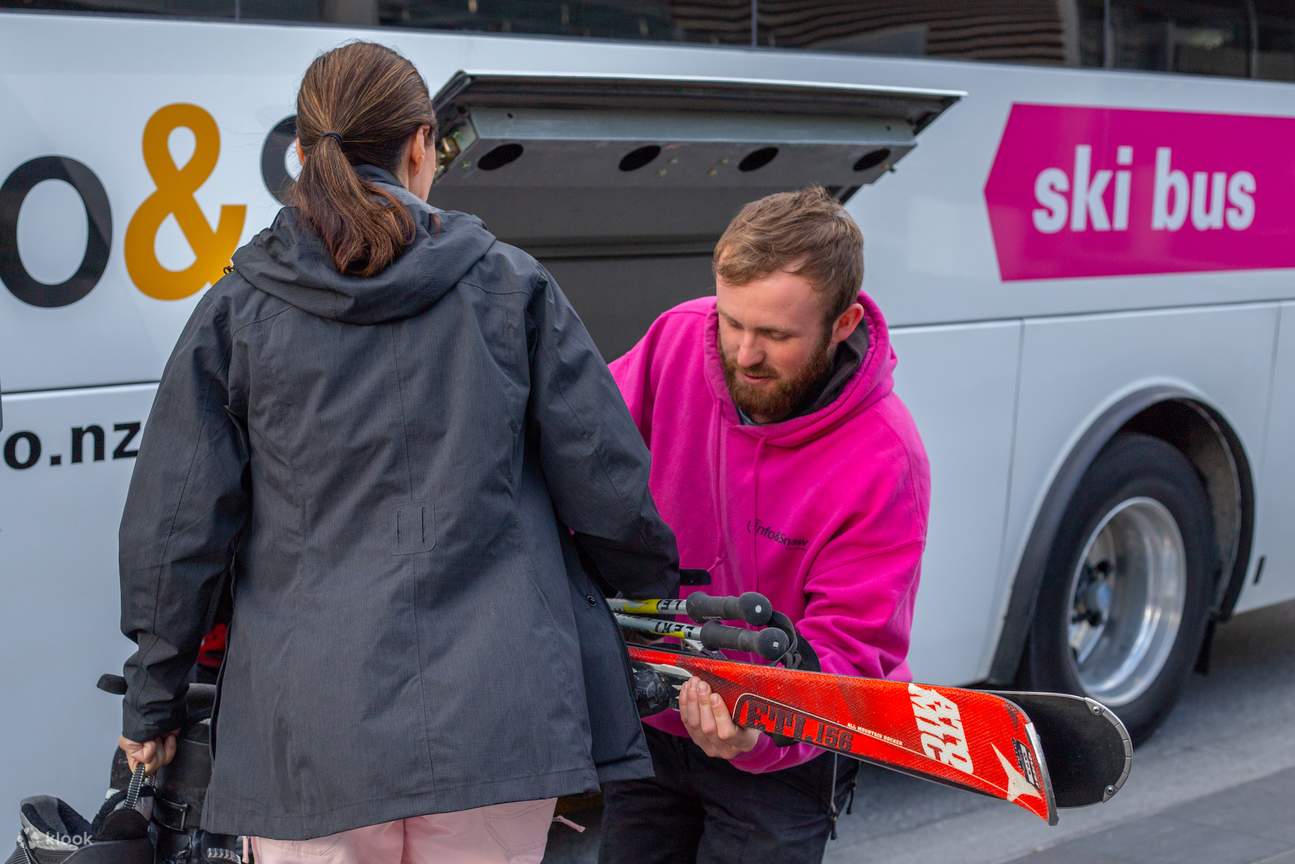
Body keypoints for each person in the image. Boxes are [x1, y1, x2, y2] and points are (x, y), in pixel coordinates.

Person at [115, 41, 679, 864]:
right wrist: (650, 589)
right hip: (498, 723)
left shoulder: (237, 311)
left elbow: (178, 531)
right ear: (422, 143)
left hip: (310, 736)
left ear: (303, 152)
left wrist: (151, 702)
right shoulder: (512, 286)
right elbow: (605, 481)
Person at [599, 187, 931, 864]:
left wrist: (765, 733)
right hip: (656, 719)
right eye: (731, 321)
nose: (743, 353)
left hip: (781, 754)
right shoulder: (677, 339)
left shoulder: (884, 459)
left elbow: (850, 651)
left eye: (776, 336)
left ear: (840, 325)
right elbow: (580, 450)